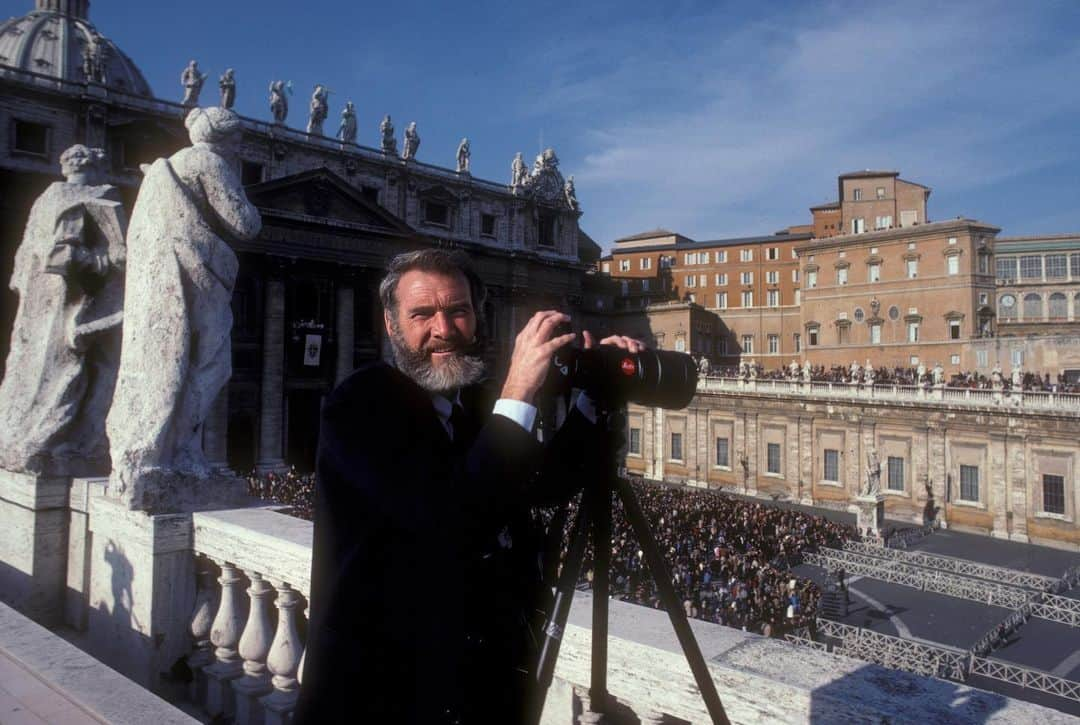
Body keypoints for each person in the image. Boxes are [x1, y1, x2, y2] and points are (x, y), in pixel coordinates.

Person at [294, 249, 644, 724]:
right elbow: (448, 523)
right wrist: (518, 391)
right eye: (422, 314)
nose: (443, 329)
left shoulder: (470, 406)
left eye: (458, 310)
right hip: (381, 700)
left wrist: (593, 399)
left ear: (477, 317)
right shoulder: (360, 405)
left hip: (476, 693)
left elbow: (541, 483)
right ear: (391, 324)